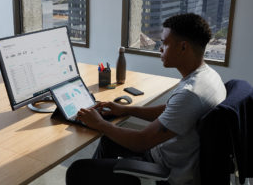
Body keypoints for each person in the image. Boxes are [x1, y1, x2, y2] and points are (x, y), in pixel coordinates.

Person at [66, 13, 227, 185]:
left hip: (166, 170)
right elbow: (170, 110)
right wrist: (127, 109)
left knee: (78, 170)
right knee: (109, 141)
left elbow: (140, 142)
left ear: (183, 47)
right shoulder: (208, 76)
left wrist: (99, 123)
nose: (160, 48)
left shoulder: (191, 94)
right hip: (167, 153)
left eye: (165, 43)